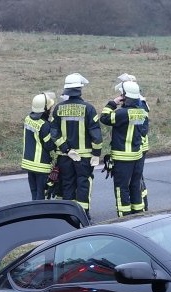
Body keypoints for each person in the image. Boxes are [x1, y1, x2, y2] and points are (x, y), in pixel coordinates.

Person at [51, 73, 103, 218]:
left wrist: (66, 149)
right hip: (84, 158)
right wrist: (96, 154)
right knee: (83, 185)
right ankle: (83, 215)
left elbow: (54, 132)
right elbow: (96, 135)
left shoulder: (58, 108)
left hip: (65, 157)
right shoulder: (89, 108)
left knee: (67, 184)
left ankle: (69, 216)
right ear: (80, 89)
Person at [100, 80, 148, 216]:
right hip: (137, 156)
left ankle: (124, 216)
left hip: (122, 157)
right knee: (135, 185)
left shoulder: (122, 114)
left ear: (125, 96)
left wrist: (113, 103)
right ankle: (138, 213)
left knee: (122, 188)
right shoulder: (141, 112)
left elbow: (104, 118)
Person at [115, 73, 151, 211]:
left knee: (135, 181)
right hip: (137, 146)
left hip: (135, 147)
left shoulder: (138, 104)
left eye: (122, 93)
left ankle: (140, 206)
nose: (121, 96)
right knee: (136, 180)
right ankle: (140, 206)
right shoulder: (140, 102)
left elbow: (141, 128)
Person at [21, 92, 57, 200]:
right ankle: (41, 214)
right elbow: (49, 145)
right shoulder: (44, 125)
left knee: (34, 193)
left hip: (28, 163)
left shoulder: (27, 118)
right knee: (41, 195)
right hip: (41, 165)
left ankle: (34, 213)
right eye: (49, 107)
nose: (50, 109)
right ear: (45, 108)